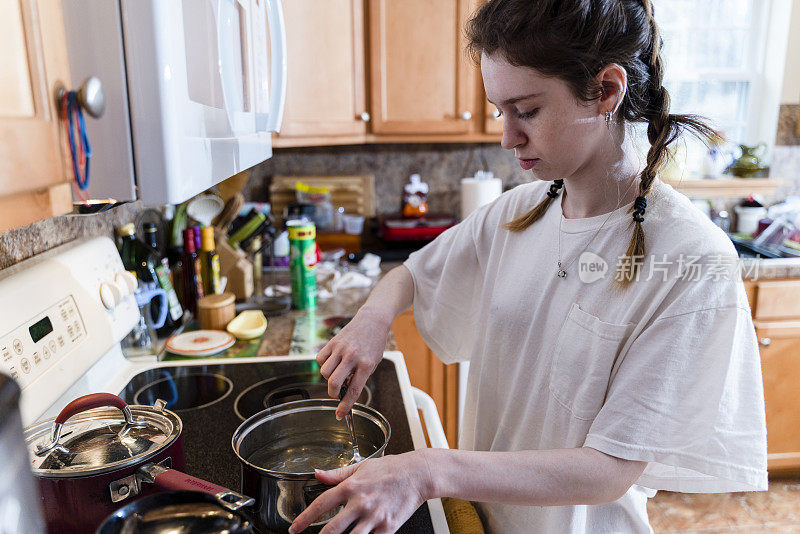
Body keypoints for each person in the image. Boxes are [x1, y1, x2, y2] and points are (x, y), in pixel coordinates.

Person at [289, 0, 768, 532]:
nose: (507, 136)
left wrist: (428, 470)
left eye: (528, 110)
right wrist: (372, 319)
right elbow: (412, 274)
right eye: (501, 111)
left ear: (607, 90)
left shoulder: (690, 258)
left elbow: (607, 470)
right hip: (484, 518)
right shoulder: (520, 212)